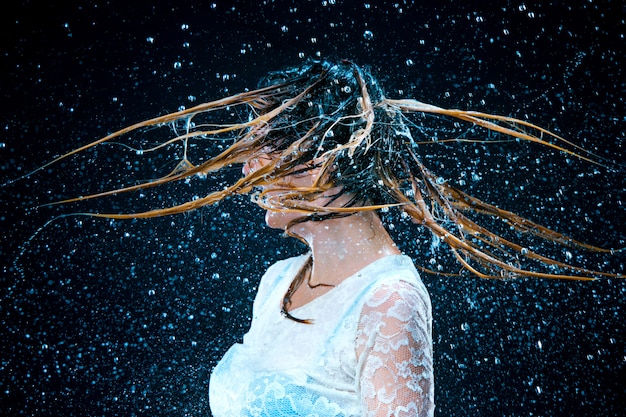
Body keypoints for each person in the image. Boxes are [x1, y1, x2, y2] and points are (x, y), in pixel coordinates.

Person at [37, 59, 620, 416]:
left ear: (318, 166)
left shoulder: (388, 303)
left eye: (257, 152)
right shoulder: (275, 283)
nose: (242, 173)